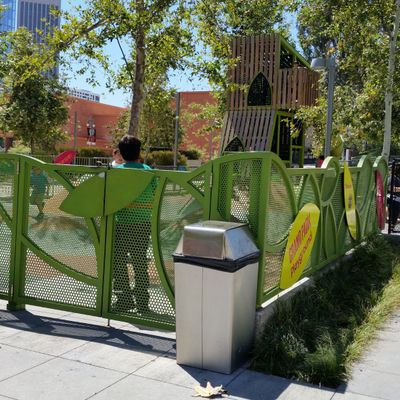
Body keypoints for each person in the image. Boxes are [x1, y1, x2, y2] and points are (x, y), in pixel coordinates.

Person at [112, 135, 155, 314]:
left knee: (119, 262)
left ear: (121, 153)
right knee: (140, 263)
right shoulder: (149, 172)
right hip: (143, 224)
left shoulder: (116, 172)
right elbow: (155, 193)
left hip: (121, 224)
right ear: (139, 153)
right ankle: (142, 302)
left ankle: (124, 299)